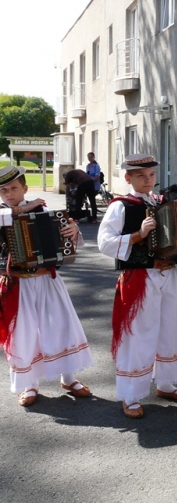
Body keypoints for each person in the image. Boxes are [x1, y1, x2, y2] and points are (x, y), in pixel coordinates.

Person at [97, 154, 177, 419]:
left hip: (167, 275)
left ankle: (166, 383)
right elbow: (105, 243)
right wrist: (138, 235)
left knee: (169, 329)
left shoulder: (163, 202)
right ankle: (130, 395)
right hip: (140, 278)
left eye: (151, 175)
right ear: (128, 178)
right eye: (141, 176)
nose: (148, 180)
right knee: (138, 336)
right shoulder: (120, 206)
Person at [0, 165, 93, 407]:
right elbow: (9, 216)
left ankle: (69, 377)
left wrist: (73, 231)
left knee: (61, 326)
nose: (9, 194)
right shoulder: (1, 213)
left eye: (14, 188)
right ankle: (29, 384)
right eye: (3, 190)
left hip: (46, 279)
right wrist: (24, 208)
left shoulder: (42, 211)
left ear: (25, 188)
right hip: (17, 284)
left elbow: (67, 240)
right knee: (25, 334)